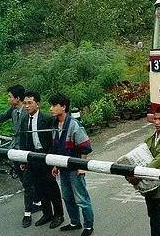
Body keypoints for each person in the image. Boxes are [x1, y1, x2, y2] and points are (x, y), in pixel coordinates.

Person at [0, 84, 41, 228]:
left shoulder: (27, 112)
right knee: (22, 177)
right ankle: (37, 199)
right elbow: (2, 116)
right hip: (14, 148)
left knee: (26, 180)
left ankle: (28, 213)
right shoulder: (13, 110)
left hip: (24, 150)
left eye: (9, 97)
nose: (8, 99)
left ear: (17, 98)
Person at [126, 106, 160, 236]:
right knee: (154, 218)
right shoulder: (152, 138)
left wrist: (137, 175)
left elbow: (158, 163)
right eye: (155, 119)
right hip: (150, 186)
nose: (156, 122)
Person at [49, 93, 94, 236]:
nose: (51, 108)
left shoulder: (74, 125)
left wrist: (82, 166)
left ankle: (88, 226)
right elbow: (56, 148)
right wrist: (55, 165)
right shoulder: (55, 124)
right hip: (62, 168)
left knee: (82, 198)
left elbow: (85, 147)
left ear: (63, 107)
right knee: (67, 197)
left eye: (54, 105)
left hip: (75, 168)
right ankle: (75, 222)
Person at [19, 91, 65, 228]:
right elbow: (23, 140)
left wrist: (53, 159)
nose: (27, 106)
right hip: (32, 157)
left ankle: (59, 215)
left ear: (37, 104)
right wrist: (23, 159)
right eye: (25, 103)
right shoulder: (24, 120)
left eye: (30, 103)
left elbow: (54, 140)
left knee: (51, 186)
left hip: (46, 156)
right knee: (39, 186)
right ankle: (47, 213)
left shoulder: (47, 119)